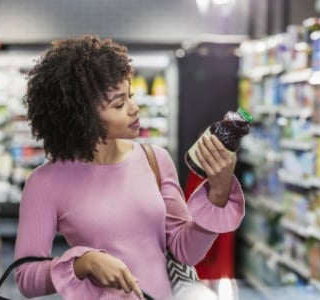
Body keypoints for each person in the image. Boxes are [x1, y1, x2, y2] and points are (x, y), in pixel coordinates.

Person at [13, 33, 245, 300]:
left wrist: (218, 192)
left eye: (130, 96)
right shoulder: (44, 184)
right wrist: (82, 263)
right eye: (119, 104)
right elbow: (26, 277)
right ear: (82, 116)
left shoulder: (154, 159)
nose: (134, 109)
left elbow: (187, 251)